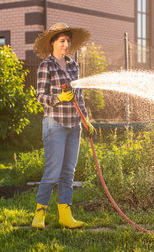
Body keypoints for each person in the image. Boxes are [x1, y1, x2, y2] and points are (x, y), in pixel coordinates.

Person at [31, 22, 96, 229]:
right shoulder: (46, 66)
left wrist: (85, 119)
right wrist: (58, 97)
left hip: (74, 125)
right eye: (62, 40)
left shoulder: (73, 65)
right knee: (52, 171)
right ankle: (39, 215)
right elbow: (40, 97)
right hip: (55, 124)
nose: (66, 44)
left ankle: (65, 215)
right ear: (52, 43)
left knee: (68, 172)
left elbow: (80, 97)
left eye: (68, 40)